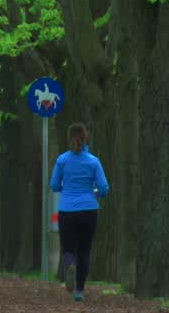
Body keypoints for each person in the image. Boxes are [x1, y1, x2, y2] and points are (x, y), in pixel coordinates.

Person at [50, 122, 109, 301]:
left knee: (69, 248)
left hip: (67, 210)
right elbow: (104, 188)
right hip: (88, 210)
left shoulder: (62, 160)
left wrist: (67, 187)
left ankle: (69, 264)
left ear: (70, 138)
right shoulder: (93, 162)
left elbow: (53, 185)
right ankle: (79, 292)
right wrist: (95, 192)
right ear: (86, 137)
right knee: (84, 250)